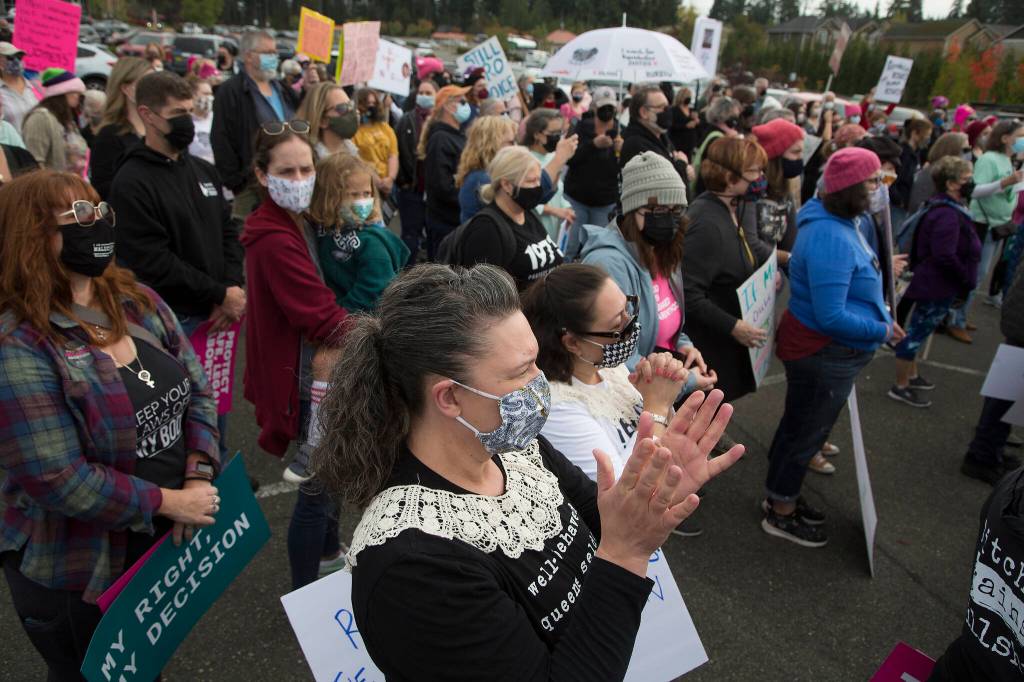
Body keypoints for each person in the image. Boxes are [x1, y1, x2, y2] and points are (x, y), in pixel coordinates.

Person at [309, 261, 744, 681]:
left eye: (536, 361)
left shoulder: (514, 449)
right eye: (522, 371)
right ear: (449, 398)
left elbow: (603, 520)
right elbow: (616, 550)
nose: (541, 382)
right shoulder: (412, 567)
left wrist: (654, 490)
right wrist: (627, 554)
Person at [0, 170, 221, 679]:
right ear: (30, 236)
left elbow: (199, 391)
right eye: (78, 215)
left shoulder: (135, 299)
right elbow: (60, 478)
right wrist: (169, 502)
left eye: (99, 211)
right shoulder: (19, 345)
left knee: (146, 668)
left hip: (153, 545)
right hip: (79, 571)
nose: (95, 223)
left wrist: (198, 473)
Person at [764, 148, 903, 547]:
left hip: (826, 350)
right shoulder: (830, 236)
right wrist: (879, 329)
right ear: (849, 191)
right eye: (874, 182)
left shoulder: (839, 219)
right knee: (806, 431)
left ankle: (781, 491)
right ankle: (780, 509)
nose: (881, 189)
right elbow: (830, 316)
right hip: (823, 352)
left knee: (800, 425)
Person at [108, 71, 245, 456]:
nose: (187, 119)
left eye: (190, 110)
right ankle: (192, 480)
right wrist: (220, 292)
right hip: (174, 321)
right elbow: (153, 262)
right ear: (148, 115)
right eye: (177, 113)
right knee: (181, 412)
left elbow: (228, 231)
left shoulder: (202, 170)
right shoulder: (132, 180)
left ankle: (218, 473)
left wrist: (232, 289)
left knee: (217, 403)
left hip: (217, 315)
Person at [240, 123, 349, 587]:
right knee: (317, 489)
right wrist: (388, 332)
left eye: (307, 168)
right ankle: (306, 591)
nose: (301, 177)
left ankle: (327, 552)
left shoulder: (289, 223)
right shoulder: (274, 238)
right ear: (263, 175)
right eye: (288, 170)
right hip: (305, 377)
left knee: (334, 473)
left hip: (310, 368)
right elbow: (320, 318)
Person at [522, 263, 707, 537]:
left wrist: (659, 388)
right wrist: (656, 406)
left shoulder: (604, 365)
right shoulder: (557, 409)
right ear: (572, 343)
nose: (630, 324)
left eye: (627, 309)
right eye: (616, 325)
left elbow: (661, 433)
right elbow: (629, 499)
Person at [577, 152, 715, 389]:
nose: (669, 220)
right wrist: (686, 382)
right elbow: (616, 358)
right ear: (632, 210)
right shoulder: (607, 265)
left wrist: (684, 345)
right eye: (658, 210)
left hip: (663, 376)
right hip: (635, 393)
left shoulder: (661, 248)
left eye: (675, 211)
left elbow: (667, 320)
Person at [888, 157, 980, 409]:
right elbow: (945, 254)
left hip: (934, 282)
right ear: (951, 184)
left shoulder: (944, 207)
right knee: (916, 333)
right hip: (936, 284)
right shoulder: (948, 215)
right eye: (966, 179)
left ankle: (912, 375)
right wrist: (964, 275)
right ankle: (901, 385)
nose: (971, 183)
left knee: (921, 329)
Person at [683, 137, 769, 402]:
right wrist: (733, 326)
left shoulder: (732, 207)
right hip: (710, 347)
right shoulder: (707, 223)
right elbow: (689, 293)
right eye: (754, 171)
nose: (761, 178)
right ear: (729, 177)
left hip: (723, 347)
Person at [948, 120, 1024, 341]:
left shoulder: (1007, 160)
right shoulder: (989, 159)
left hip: (997, 224)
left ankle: (960, 315)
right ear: (1005, 138)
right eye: (1020, 136)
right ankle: (955, 318)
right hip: (982, 223)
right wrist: (1005, 182)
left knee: (978, 274)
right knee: (975, 273)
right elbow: (975, 191)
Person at [212, 30, 299, 220]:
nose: (274, 57)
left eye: (275, 52)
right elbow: (221, 137)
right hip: (251, 187)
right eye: (268, 52)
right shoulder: (231, 92)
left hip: (288, 181)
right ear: (249, 56)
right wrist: (238, 182)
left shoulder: (282, 89)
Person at [450, 146, 564, 290]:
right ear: (507, 185)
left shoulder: (528, 213)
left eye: (538, 180)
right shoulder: (486, 229)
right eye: (531, 181)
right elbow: (481, 295)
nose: (538, 187)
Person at [308, 153, 409, 311]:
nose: (362, 201)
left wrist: (340, 316)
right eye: (353, 195)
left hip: (356, 325)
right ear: (329, 196)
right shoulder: (325, 228)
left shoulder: (372, 242)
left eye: (367, 193)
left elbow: (375, 290)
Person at [956, 265, 1024, 486]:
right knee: (1004, 398)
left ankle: (991, 448)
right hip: (1020, 326)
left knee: (1004, 396)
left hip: (1018, 322)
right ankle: (982, 456)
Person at [563, 86, 621, 255]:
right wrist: (592, 145)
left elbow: (623, 167)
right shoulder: (581, 127)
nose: (607, 111)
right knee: (569, 247)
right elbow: (569, 158)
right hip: (576, 199)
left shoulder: (621, 131)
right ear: (595, 107)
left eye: (611, 107)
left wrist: (622, 151)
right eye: (603, 107)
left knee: (596, 249)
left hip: (604, 203)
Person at [89, 58, 152, 199]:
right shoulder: (109, 135)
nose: (156, 89)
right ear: (127, 89)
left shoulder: (159, 128)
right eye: (148, 83)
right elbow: (103, 189)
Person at [421, 84, 471, 259]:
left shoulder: (458, 135)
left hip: (455, 220)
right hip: (444, 222)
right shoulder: (441, 139)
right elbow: (441, 185)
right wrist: (468, 198)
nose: (467, 105)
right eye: (462, 101)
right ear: (449, 106)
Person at [750, 118, 805, 267]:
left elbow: (791, 239)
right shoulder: (750, 191)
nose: (800, 158)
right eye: (795, 152)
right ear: (775, 156)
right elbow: (749, 245)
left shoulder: (784, 191)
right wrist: (785, 258)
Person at [395, 79, 437, 265]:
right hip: (412, 190)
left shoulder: (439, 121)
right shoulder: (407, 120)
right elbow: (399, 152)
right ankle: (406, 276)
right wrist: (404, 182)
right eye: (421, 92)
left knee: (433, 238)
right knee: (410, 236)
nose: (424, 96)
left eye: (429, 93)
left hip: (434, 193)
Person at [619, 85, 690, 185]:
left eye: (668, 106)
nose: (667, 111)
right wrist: (682, 165)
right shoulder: (636, 145)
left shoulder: (661, 136)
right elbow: (663, 184)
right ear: (644, 112)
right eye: (662, 107)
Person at [524, 109, 576, 242]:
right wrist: (554, 211)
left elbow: (558, 189)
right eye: (553, 133)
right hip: (534, 229)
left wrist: (566, 207)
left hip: (555, 230)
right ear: (537, 134)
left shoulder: (553, 156)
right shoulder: (524, 159)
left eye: (560, 132)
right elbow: (526, 198)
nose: (558, 137)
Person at [22, 69, 87, 174]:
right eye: (75, 91)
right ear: (61, 93)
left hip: (70, 185)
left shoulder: (66, 120)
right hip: (50, 187)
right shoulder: (40, 118)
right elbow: (34, 161)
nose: (78, 96)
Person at [456, 114, 517, 223]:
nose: (515, 148)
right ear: (492, 144)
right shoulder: (483, 179)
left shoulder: (479, 174)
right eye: (510, 143)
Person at [352, 88, 399, 198]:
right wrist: (375, 180)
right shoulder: (354, 132)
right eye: (368, 103)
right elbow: (356, 160)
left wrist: (390, 178)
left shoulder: (385, 128)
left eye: (374, 103)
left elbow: (393, 155)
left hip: (387, 185)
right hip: (364, 185)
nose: (371, 106)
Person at [296, 82, 359, 161]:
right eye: (342, 108)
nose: (351, 111)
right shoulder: (308, 161)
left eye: (351, 105)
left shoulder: (351, 150)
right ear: (322, 121)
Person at [891, 118, 934, 224]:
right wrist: (899, 200)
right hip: (897, 206)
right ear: (915, 133)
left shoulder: (917, 153)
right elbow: (894, 179)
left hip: (907, 204)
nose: (928, 139)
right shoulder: (903, 153)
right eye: (926, 135)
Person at [0, 41, 40, 132]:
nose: (16, 61)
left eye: (19, 57)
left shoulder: (35, 86)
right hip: (13, 145)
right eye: (10, 58)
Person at [668, 86, 699, 161]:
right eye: (687, 96)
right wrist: (685, 126)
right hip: (679, 142)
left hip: (690, 142)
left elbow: (697, 124)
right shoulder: (673, 110)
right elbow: (671, 126)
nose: (689, 98)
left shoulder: (691, 110)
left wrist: (696, 120)